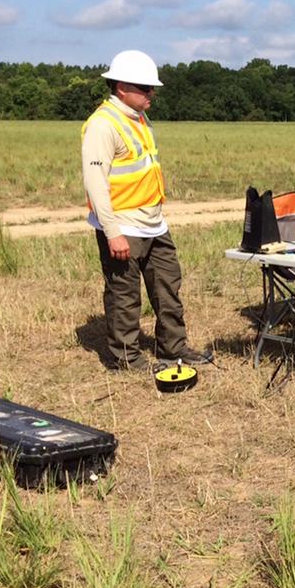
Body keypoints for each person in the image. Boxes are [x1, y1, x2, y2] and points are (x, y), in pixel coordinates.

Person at [81, 49, 211, 370]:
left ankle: (173, 347)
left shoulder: (140, 118)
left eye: (152, 88)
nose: (152, 93)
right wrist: (112, 233)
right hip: (123, 227)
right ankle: (126, 358)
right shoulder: (102, 125)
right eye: (145, 88)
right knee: (124, 295)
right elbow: (96, 183)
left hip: (154, 224)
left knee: (168, 286)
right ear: (122, 87)